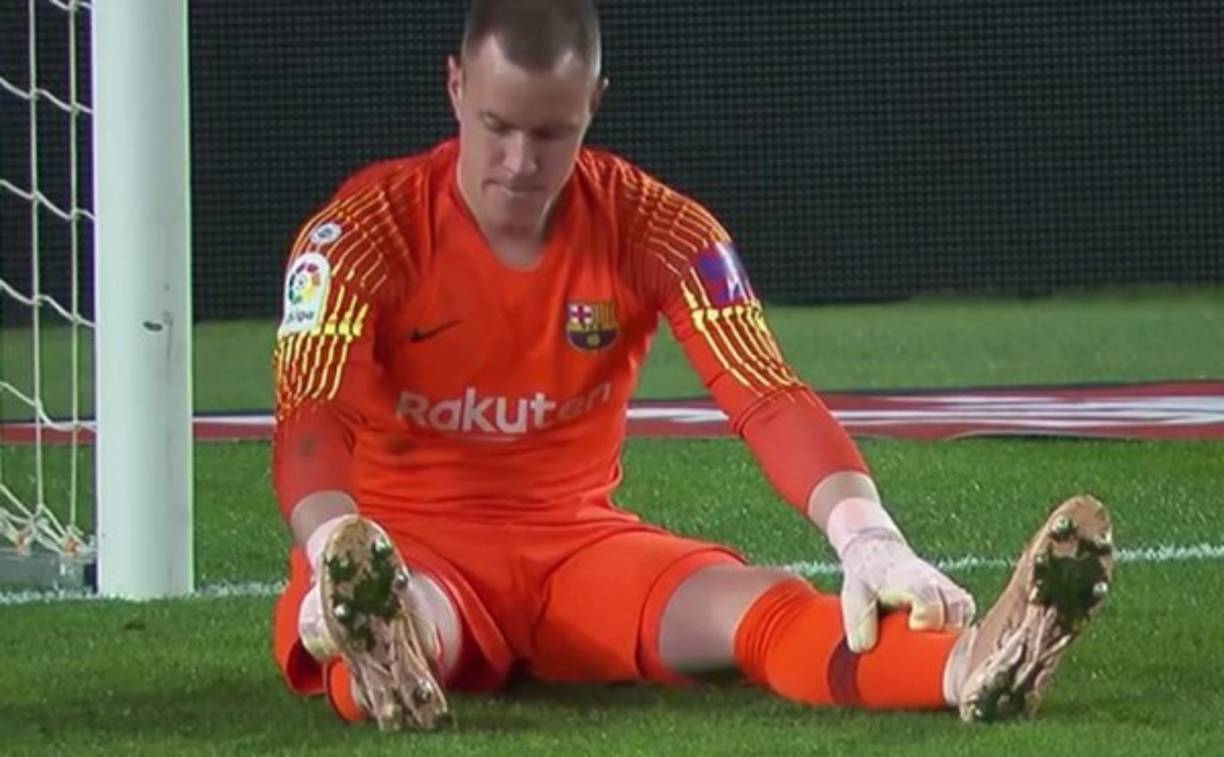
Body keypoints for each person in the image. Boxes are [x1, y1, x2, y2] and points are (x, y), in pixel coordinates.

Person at [269, 0, 1113, 731]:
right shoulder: (359, 236)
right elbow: (311, 417)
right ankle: (382, 628)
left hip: (578, 552)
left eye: (551, 133)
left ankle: (968, 664)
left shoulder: (661, 227)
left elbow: (766, 392)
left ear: (595, 103)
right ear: (455, 87)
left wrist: (870, 538)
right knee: (406, 615)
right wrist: (335, 539)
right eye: (497, 127)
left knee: (763, 607)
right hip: (409, 543)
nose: (520, 163)